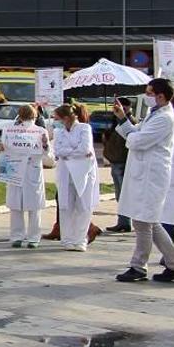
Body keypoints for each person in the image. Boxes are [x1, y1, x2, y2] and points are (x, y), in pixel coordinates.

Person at [115, 79, 174, 282]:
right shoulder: (154, 114)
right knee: (150, 221)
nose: (146, 96)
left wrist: (133, 137)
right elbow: (134, 134)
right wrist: (123, 119)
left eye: (149, 93)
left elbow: (139, 141)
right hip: (144, 174)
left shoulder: (165, 118)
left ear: (160, 96)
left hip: (152, 176)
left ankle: (138, 266)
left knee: (142, 222)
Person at [4, 104, 52, 248]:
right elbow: (48, 154)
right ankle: (32, 237)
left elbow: (46, 151)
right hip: (20, 169)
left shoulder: (39, 131)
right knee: (29, 207)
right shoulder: (11, 130)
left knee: (20, 206)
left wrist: (44, 144)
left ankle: (19, 236)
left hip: (26, 168)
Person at [53, 101, 98, 252]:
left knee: (83, 206)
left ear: (66, 118)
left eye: (57, 119)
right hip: (65, 172)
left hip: (83, 172)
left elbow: (85, 148)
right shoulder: (59, 132)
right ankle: (67, 239)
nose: (56, 122)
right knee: (66, 206)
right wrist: (74, 153)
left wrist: (69, 154)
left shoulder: (84, 128)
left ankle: (80, 239)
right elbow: (58, 151)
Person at [103, 97, 135, 234]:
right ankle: (122, 221)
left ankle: (125, 222)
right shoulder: (114, 121)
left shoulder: (129, 122)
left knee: (123, 194)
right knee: (119, 194)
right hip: (115, 161)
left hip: (123, 162)